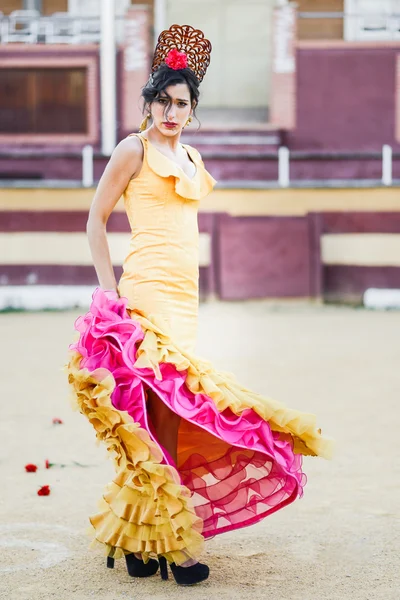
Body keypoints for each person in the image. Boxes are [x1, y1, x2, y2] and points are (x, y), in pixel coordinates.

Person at [67, 24, 332, 587]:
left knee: (164, 420)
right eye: (162, 100)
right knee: (165, 415)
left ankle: (140, 540)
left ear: (192, 109)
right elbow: (95, 219)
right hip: (145, 295)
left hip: (184, 302)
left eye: (181, 103)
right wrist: (109, 290)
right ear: (150, 101)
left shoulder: (189, 155)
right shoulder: (131, 149)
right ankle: (177, 548)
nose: (171, 111)